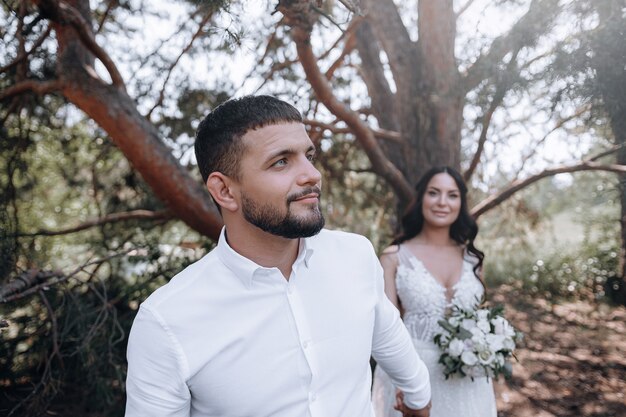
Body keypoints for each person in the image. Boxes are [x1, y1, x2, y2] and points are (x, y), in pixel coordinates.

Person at [124, 95, 431, 417]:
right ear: (225, 191)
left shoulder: (355, 255)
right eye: (281, 162)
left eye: (308, 155)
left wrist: (419, 396)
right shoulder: (166, 320)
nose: (312, 174)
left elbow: (388, 335)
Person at [371, 166, 497, 417]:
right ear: (421, 200)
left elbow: (480, 320)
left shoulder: (473, 260)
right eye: (434, 193)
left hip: (469, 380)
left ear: (461, 203)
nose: (442, 202)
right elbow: (385, 330)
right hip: (414, 376)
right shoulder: (394, 258)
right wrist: (406, 384)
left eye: (452, 195)